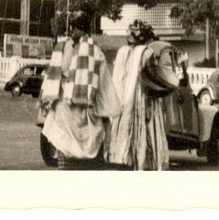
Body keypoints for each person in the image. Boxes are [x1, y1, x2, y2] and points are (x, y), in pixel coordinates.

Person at [39, 12, 120, 170]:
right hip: (66, 111)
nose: (71, 32)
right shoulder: (65, 49)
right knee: (66, 154)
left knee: (85, 162)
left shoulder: (92, 52)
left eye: (74, 29)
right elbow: (56, 76)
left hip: (84, 111)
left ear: (82, 31)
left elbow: (101, 82)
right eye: (71, 29)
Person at [106, 20, 170, 171]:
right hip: (143, 100)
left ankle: (123, 156)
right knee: (146, 132)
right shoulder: (147, 54)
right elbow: (154, 79)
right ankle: (144, 162)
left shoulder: (123, 52)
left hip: (124, 100)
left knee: (125, 129)